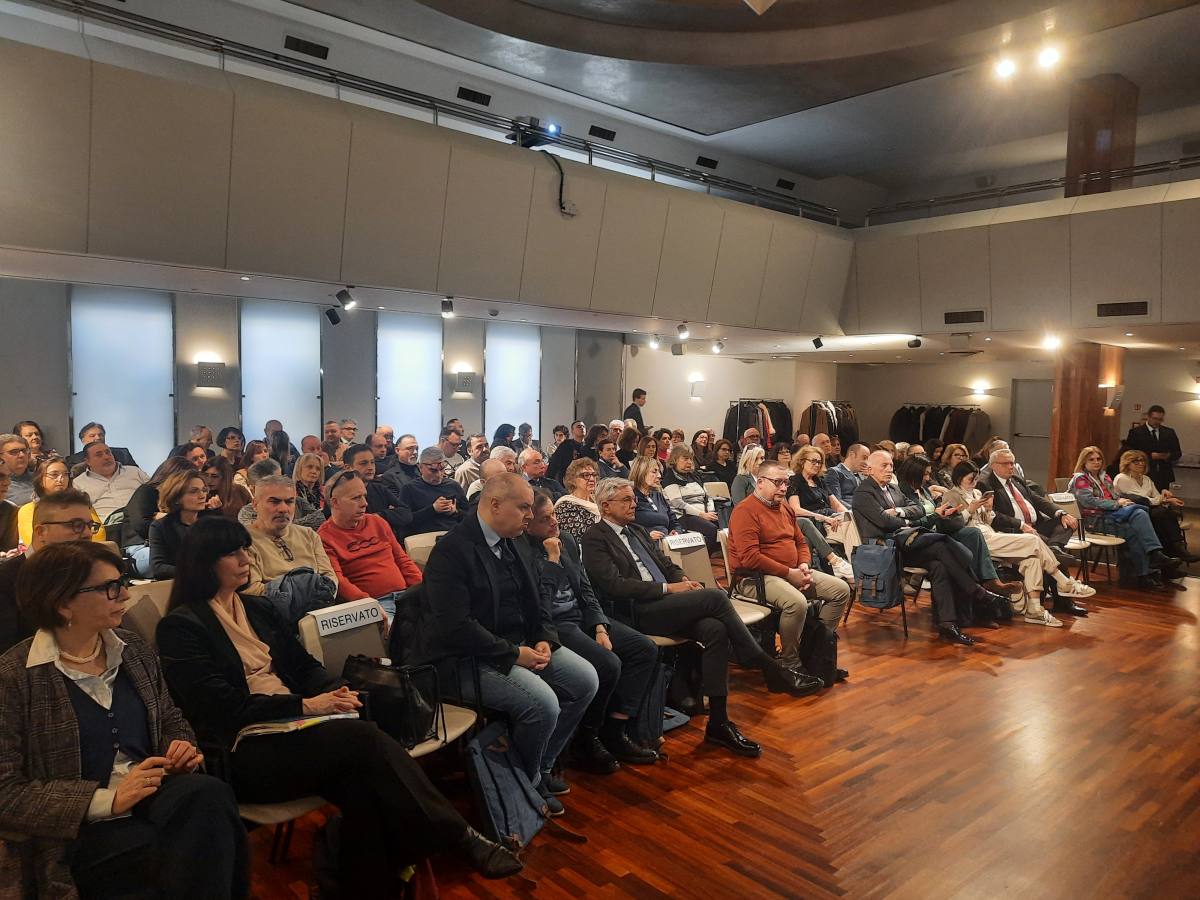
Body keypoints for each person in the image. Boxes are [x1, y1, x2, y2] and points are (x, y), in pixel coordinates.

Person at [156, 517, 522, 889]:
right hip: (242, 749)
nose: (245, 558)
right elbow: (220, 709)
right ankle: (458, 836)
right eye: (232, 553)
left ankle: (365, 887)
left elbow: (302, 666)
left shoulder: (256, 609)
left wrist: (338, 690)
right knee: (362, 740)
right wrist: (308, 705)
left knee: (363, 788)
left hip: (295, 728)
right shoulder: (181, 628)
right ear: (205, 562)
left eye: (245, 549)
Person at [0, 541, 250, 898]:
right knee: (192, 844)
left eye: (122, 583)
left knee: (209, 795)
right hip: (78, 830)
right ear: (62, 601)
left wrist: (181, 749)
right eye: (109, 588)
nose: (124, 596)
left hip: (154, 796)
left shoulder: (131, 649)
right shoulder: (14, 678)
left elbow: (169, 718)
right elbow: (6, 794)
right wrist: (108, 800)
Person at [583, 478, 819, 757]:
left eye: (633, 498)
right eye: (626, 500)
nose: (634, 503)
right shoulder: (595, 537)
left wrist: (682, 579)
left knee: (715, 629)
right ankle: (767, 665)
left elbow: (666, 565)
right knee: (717, 597)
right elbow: (614, 586)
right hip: (636, 611)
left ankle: (719, 723)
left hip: (666, 603)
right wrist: (670, 588)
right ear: (605, 505)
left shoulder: (636, 530)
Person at [412, 474, 598, 812]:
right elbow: (455, 627)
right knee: (544, 704)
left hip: (516, 646)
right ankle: (525, 788)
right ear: (495, 505)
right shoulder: (452, 551)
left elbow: (538, 597)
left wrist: (544, 637)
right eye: (524, 507)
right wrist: (514, 654)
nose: (531, 515)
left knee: (585, 679)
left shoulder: (515, 540)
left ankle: (536, 769)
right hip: (463, 658)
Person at [524, 489, 658, 770]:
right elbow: (540, 605)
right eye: (545, 519)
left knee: (643, 648)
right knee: (608, 665)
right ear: (528, 523)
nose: (554, 523)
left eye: (554, 515)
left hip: (579, 616)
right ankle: (587, 739)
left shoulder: (567, 540)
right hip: (553, 625)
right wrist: (551, 559)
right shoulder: (524, 551)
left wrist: (599, 624)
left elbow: (585, 588)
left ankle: (615, 729)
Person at [853, 451, 1008, 646]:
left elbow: (917, 508)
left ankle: (947, 625)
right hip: (885, 549)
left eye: (891, 465)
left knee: (939, 565)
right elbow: (885, 522)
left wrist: (900, 512)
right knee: (940, 543)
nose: (889, 469)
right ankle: (978, 592)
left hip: (907, 541)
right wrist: (906, 521)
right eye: (884, 465)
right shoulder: (864, 492)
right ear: (870, 469)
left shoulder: (893, 489)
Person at [727, 461, 850, 679]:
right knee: (797, 602)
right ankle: (791, 662)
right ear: (761, 482)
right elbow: (750, 558)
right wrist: (788, 573)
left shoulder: (784, 507)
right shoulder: (744, 511)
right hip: (753, 579)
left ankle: (814, 653)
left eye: (786, 483)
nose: (784, 488)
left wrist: (803, 564)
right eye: (778, 483)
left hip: (791, 571)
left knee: (841, 590)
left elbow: (801, 542)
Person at [945, 461, 1094, 626]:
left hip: (990, 534)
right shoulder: (951, 495)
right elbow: (953, 525)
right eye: (970, 479)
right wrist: (969, 510)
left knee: (1032, 559)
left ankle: (1035, 609)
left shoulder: (977, 492)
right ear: (959, 478)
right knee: (1033, 540)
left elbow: (988, 520)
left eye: (975, 479)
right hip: (976, 540)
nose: (973, 483)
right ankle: (1063, 581)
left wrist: (988, 509)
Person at [894, 456, 1021, 598]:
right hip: (924, 536)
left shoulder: (924, 490)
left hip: (940, 528)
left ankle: (988, 582)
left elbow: (939, 513)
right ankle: (981, 586)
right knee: (972, 534)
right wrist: (940, 514)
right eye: (925, 474)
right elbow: (914, 517)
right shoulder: (902, 492)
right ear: (914, 473)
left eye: (929, 473)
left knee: (973, 533)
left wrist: (945, 512)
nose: (928, 478)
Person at [1, 489, 104, 651]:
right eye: (76, 525)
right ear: (41, 532)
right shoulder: (5, 580)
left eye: (90, 526)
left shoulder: (92, 571)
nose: (87, 533)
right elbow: (7, 652)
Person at [1069, 446, 1179, 588]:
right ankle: (1148, 567)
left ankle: (1151, 562)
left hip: (1110, 516)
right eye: (1091, 459)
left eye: (1099, 459)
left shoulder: (1105, 476)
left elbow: (1115, 496)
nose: (1096, 462)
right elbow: (1088, 501)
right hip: (1093, 521)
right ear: (1084, 462)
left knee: (1139, 515)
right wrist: (1116, 504)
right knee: (1136, 525)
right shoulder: (1081, 479)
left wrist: (1122, 501)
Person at [318, 471, 422, 613]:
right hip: (374, 605)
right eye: (356, 498)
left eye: (364, 496)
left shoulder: (377, 522)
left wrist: (422, 589)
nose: (365, 503)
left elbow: (402, 560)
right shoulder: (324, 536)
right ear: (335, 502)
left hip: (406, 596)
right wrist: (369, 606)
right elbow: (338, 581)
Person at [243, 474, 338, 615]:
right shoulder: (244, 540)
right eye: (274, 502)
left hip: (320, 613)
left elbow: (330, 579)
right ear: (255, 504)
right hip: (276, 620)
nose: (283, 509)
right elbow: (252, 591)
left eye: (289, 502)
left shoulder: (309, 535)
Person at [979, 449, 1077, 550]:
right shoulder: (986, 484)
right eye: (1005, 464)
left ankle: (1054, 546)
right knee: (1046, 548)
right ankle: (1054, 549)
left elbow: (1037, 499)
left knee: (1068, 521)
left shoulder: (1017, 480)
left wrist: (1060, 513)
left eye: (1012, 463)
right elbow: (993, 514)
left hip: (1036, 525)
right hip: (1015, 529)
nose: (1010, 467)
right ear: (993, 465)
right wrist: (1021, 525)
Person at [1113, 449, 1196, 562]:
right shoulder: (1122, 478)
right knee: (1162, 515)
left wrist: (1164, 498)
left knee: (1164, 519)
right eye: (1135, 461)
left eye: (1142, 460)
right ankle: (1178, 549)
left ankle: (1173, 556)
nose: (1141, 463)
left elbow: (1156, 496)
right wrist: (1162, 499)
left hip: (1151, 511)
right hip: (1134, 512)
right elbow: (1140, 499)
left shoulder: (1146, 479)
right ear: (1127, 464)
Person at [121, 457, 195, 574]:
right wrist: (168, 521)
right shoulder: (146, 491)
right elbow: (141, 525)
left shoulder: (183, 500)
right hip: (139, 548)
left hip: (172, 547)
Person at [16, 456, 106, 546]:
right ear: (40, 480)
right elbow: (32, 541)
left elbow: (99, 534)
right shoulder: (28, 510)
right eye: (54, 475)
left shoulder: (81, 505)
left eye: (65, 474)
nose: (61, 479)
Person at [148, 469, 211, 579]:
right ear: (176, 497)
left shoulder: (211, 522)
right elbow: (158, 568)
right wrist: (196, 572)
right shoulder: (161, 526)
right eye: (193, 491)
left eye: (204, 490)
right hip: (182, 584)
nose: (202, 496)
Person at [343, 442, 412, 540]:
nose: (370, 467)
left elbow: (406, 514)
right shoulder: (340, 493)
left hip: (383, 540)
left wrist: (380, 515)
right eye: (364, 463)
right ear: (348, 468)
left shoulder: (379, 489)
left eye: (372, 462)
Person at [73, 442, 150, 525]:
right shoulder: (79, 483)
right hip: (109, 527)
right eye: (99, 455)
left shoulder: (134, 472)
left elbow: (155, 492)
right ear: (88, 461)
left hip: (142, 520)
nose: (106, 457)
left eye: (108, 452)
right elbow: (79, 512)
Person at [661, 445, 719, 551]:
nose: (689, 462)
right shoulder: (669, 478)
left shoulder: (694, 475)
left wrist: (710, 511)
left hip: (704, 514)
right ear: (675, 459)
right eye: (685, 458)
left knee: (729, 522)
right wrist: (702, 514)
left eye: (691, 459)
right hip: (684, 517)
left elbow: (707, 496)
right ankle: (705, 559)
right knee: (712, 529)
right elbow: (678, 503)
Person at [400, 447, 467, 535]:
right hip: (423, 537)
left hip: (452, 535)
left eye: (442, 469)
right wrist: (432, 509)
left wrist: (455, 512)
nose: (439, 475)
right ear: (420, 467)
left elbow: (469, 516)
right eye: (433, 470)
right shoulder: (409, 489)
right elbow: (403, 521)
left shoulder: (453, 486)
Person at [1124, 405, 1182, 491]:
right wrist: (1150, 456)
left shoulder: (1169, 432)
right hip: (1143, 472)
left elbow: (1177, 453)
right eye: (1155, 418)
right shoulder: (1136, 432)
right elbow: (1130, 454)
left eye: (1160, 419)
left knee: (1163, 499)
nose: (1157, 422)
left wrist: (1168, 456)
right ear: (1148, 417)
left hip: (1163, 474)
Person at [631, 455, 679, 540]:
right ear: (641, 472)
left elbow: (673, 520)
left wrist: (675, 531)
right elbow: (625, 526)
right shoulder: (630, 497)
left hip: (668, 541)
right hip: (644, 544)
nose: (659, 476)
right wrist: (646, 535)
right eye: (654, 472)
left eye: (659, 472)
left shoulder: (658, 495)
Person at [554, 457, 602, 540]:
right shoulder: (565, 506)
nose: (591, 479)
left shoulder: (598, 500)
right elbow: (579, 536)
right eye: (586, 475)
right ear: (572, 480)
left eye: (593, 475)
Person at [66, 423, 138, 469]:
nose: (98, 438)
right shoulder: (73, 460)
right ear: (83, 441)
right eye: (92, 436)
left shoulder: (123, 453)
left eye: (101, 435)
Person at [202, 455, 253, 522]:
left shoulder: (240, 491)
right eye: (206, 475)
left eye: (214, 476)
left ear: (225, 477)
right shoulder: (202, 494)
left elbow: (252, 515)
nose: (209, 480)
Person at [825, 442, 868, 508]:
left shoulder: (863, 476)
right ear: (852, 455)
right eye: (864, 458)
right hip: (849, 512)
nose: (866, 463)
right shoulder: (835, 472)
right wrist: (859, 511)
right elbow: (836, 501)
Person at [0, 434, 35, 506]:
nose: (22, 455)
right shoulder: (3, 485)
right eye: (14, 452)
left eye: (24, 451)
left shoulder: (40, 478)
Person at [0, 463, 15, 554]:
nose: (7, 483)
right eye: (0, 476)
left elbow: (8, 550)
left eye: (9, 476)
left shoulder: (10, 511)